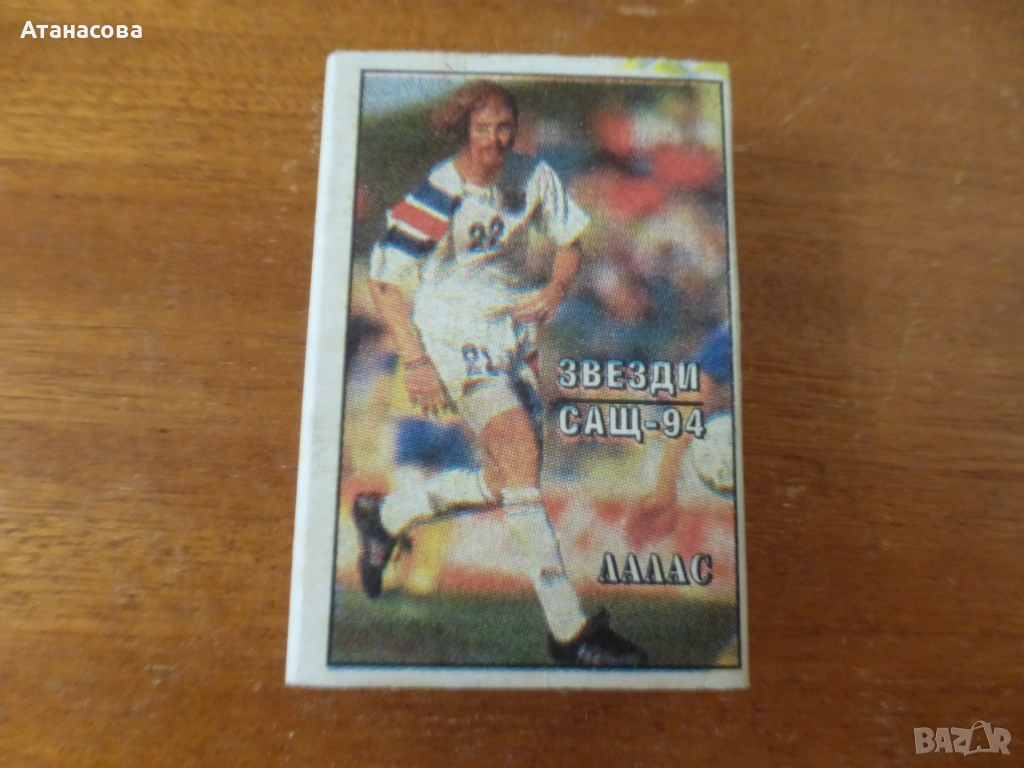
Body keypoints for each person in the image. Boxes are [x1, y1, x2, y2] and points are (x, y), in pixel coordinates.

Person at [353, 80, 647, 668]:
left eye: (504, 127)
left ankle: (386, 516)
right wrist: (416, 361)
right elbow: (383, 283)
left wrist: (556, 290)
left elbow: (571, 241)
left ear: (516, 130)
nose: (493, 139)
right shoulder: (439, 192)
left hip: (513, 338)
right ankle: (569, 630)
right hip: (452, 337)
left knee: (509, 478)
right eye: (482, 129)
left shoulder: (535, 175)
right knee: (518, 456)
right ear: (465, 131)